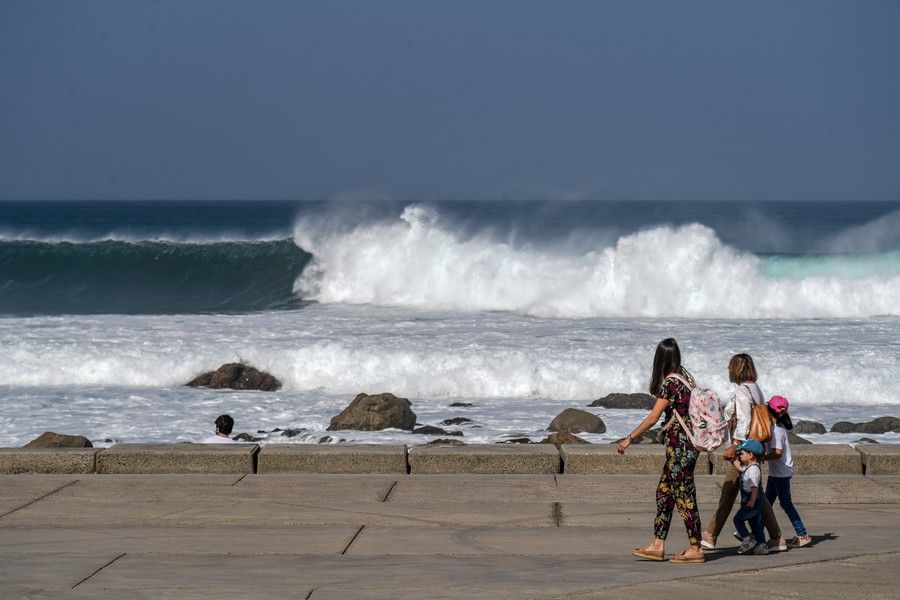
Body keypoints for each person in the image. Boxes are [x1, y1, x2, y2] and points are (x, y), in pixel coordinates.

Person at [617, 338, 705, 564]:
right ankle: (657, 544)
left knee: (685, 496)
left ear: (660, 359)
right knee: (664, 493)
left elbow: (654, 416)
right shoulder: (686, 377)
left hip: (680, 449)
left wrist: (630, 438)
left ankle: (696, 547)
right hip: (684, 448)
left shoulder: (670, 383)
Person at [700, 353, 786, 552]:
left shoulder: (741, 391)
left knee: (729, 490)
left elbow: (745, 421)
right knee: (757, 495)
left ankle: (711, 535)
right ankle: (775, 537)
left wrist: (735, 446)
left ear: (735, 370)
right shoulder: (756, 389)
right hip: (757, 447)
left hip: (744, 451)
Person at [763, 395, 812, 548]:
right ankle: (754, 532)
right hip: (778, 472)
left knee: (786, 504)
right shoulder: (780, 426)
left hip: (780, 473)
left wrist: (763, 457)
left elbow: (777, 452)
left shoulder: (777, 429)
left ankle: (802, 534)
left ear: (770, 411)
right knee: (767, 502)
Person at [732, 439, 769, 555]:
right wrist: (732, 460)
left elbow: (754, 487)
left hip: (751, 500)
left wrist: (752, 500)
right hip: (750, 501)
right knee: (755, 524)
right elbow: (741, 468)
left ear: (751, 455)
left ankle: (747, 540)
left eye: (742, 454)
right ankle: (762, 545)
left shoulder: (753, 470)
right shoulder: (750, 467)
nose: (740, 456)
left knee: (738, 519)